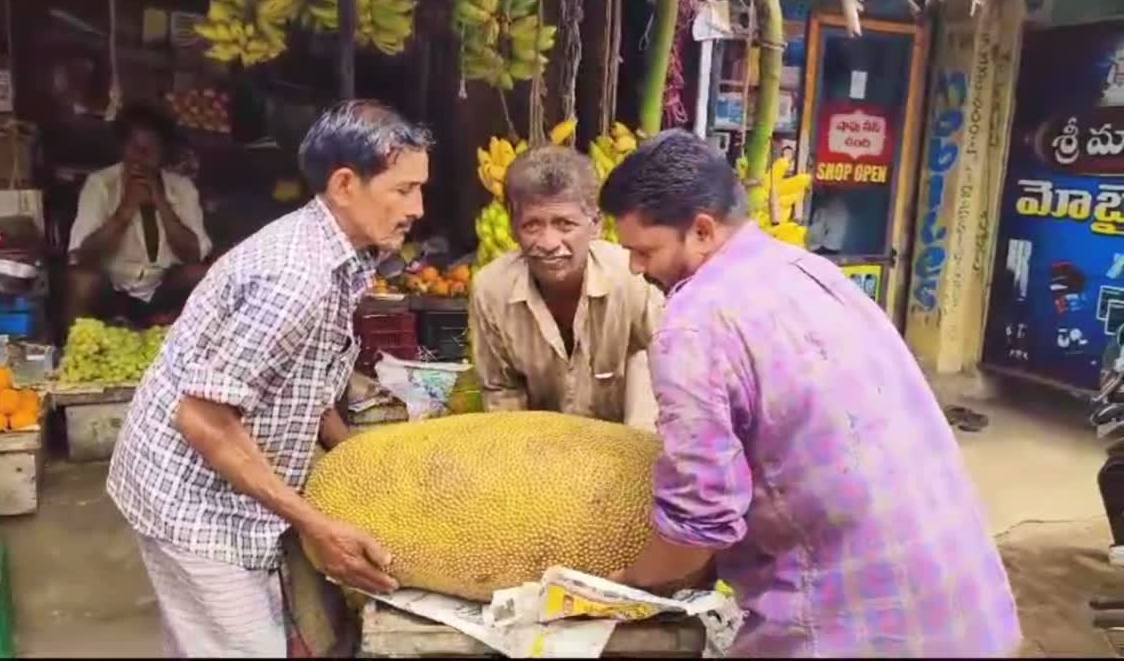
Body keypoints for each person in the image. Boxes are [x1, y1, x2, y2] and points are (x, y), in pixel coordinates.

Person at [600, 131, 1021, 657]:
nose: (638, 269)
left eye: (645, 251)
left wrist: (625, 587)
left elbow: (699, 525)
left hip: (853, 630)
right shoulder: (811, 271)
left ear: (702, 230)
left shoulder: (695, 325)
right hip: (967, 610)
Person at [106, 100, 432, 657]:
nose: (419, 208)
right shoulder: (294, 278)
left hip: (225, 474)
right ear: (346, 184)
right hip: (192, 498)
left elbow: (308, 377)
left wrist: (357, 461)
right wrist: (316, 526)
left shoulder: (344, 256)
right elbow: (202, 419)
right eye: (403, 190)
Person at [468, 145, 663, 430]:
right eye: (532, 225)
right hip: (541, 452)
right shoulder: (491, 290)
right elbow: (501, 392)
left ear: (594, 224)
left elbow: (669, 368)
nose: (548, 243)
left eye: (565, 224)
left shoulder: (632, 279)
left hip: (627, 446)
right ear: (512, 228)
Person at [65, 103, 213, 332]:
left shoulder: (182, 188)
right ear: (123, 148)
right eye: (134, 146)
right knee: (81, 281)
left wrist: (161, 202)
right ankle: (73, 352)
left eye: (150, 148)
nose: (141, 156)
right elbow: (83, 257)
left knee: (200, 274)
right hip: (113, 288)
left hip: (160, 288)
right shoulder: (101, 184)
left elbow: (193, 254)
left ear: (163, 152)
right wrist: (126, 209)